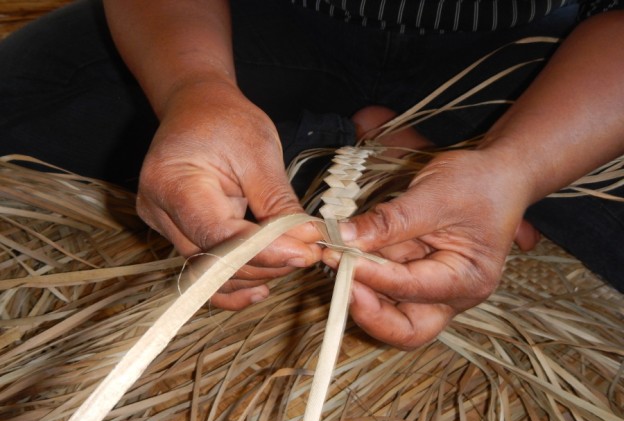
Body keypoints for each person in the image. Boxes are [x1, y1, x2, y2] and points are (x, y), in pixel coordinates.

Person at [0, 0, 622, 349]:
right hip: (273, 19)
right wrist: (194, 88)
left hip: (552, 55)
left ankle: (411, 150)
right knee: (25, 100)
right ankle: (376, 146)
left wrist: (517, 167)